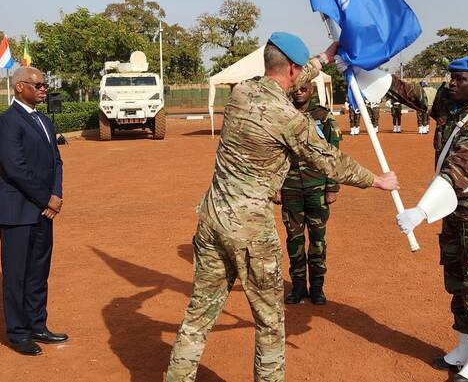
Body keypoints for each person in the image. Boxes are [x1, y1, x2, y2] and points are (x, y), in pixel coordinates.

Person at [166, 33, 399, 382]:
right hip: (251, 231)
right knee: (270, 323)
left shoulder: (242, 92)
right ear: (291, 68)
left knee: (197, 318)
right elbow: (330, 162)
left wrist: (325, 57)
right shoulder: (289, 119)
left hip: (213, 217)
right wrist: (377, 180)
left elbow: (286, 81)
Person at [392, 57, 468, 382]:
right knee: (455, 274)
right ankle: (464, 344)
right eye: (451, 78)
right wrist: (367, 74)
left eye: (460, 79)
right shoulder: (451, 102)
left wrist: (421, 211)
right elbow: (412, 94)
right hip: (454, 206)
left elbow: (459, 169)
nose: (452, 84)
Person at [0, 66, 67, 356]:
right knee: (16, 274)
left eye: (45, 85)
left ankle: (37, 324)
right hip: (17, 211)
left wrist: (56, 195)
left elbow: (56, 162)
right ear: (19, 87)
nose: (43, 89)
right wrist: (47, 199)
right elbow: (15, 169)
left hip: (44, 210)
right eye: (38, 85)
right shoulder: (7, 122)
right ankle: (18, 333)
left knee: (38, 271)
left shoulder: (45, 122)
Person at [276, 81, 341, 306]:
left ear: (311, 90)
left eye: (304, 88)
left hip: (317, 187)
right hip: (290, 187)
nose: (299, 92)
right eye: (296, 88)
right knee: (294, 239)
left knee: (317, 240)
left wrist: (332, 186)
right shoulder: (282, 113)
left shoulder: (323, 116)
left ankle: (317, 288)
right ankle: (297, 287)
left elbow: (334, 153)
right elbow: (274, 152)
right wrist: (275, 187)